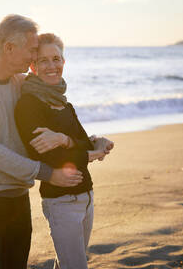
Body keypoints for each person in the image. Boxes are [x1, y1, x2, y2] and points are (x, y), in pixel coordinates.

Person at [0, 15, 85, 269]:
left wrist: (81, 142)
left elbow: (55, 103)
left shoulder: (21, 82)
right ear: (9, 48)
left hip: (18, 194)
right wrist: (48, 173)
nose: (34, 57)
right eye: (32, 50)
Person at [14, 33, 114, 269]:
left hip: (86, 195)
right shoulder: (28, 105)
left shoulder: (64, 104)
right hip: (61, 200)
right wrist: (89, 153)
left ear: (64, 62)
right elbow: (48, 157)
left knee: (67, 265)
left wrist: (78, 141)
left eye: (56, 59)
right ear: (33, 66)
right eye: (44, 60)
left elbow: (80, 142)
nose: (52, 66)